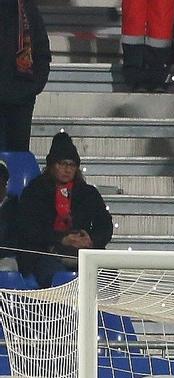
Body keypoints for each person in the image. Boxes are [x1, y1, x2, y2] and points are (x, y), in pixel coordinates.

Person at [15, 131, 111, 285]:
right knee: (55, 274)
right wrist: (61, 239)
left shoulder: (88, 193)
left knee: (107, 271)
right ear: (52, 165)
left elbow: (105, 224)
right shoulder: (35, 191)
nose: (67, 169)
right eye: (62, 164)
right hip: (46, 252)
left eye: (71, 165)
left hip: (83, 252)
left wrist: (91, 240)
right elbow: (28, 229)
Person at [0, 0, 47, 143]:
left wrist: (33, 87)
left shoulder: (28, 9)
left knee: (17, 159)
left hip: (21, 102)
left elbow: (42, 52)